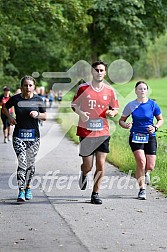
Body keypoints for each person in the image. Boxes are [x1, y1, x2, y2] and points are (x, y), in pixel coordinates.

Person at [71, 61, 119, 204]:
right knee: (88, 165)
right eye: (96, 70)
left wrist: (112, 112)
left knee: (101, 164)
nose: (99, 72)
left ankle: (95, 193)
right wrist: (81, 113)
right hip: (86, 132)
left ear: (105, 73)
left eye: (102, 70)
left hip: (103, 132)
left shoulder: (110, 90)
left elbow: (115, 109)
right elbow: (74, 105)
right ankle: (84, 173)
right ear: (92, 72)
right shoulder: (83, 88)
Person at [2, 76, 47, 202]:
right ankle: (21, 191)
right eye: (26, 85)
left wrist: (37, 115)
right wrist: (10, 117)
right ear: (22, 86)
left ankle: (28, 187)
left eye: (30, 85)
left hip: (34, 137)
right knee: (22, 162)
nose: (28, 88)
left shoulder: (38, 99)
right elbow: (4, 107)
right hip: (18, 136)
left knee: (30, 164)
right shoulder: (16, 99)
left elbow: (45, 116)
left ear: (34, 87)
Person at [119, 81, 164, 200]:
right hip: (135, 136)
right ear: (135, 91)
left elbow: (160, 120)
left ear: (147, 91)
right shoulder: (131, 105)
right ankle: (142, 189)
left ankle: (146, 172)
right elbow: (121, 120)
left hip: (150, 136)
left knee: (150, 166)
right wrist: (125, 125)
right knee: (141, 162)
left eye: (144, 88)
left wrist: (155, 127)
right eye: (140, 89)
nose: (142, 90)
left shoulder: (153, 105)